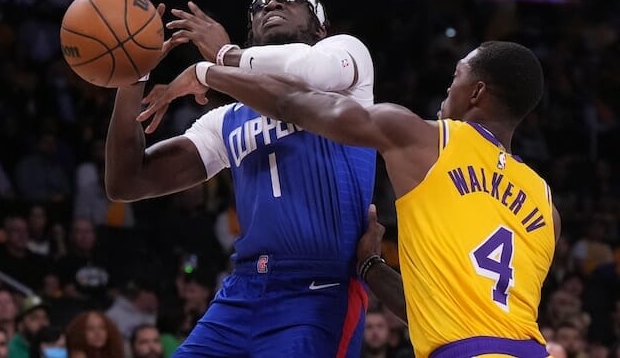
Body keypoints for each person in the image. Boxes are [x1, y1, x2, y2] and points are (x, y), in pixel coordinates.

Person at [140, 41, 560, 357]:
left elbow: (292, 104)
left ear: (477, 92)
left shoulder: (425, 140)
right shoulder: (546, 206)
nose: (447, 90)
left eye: (456, 78)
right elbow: (435, 309)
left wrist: (208, 71)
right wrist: (371, 266)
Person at [106, 0, 376, 356]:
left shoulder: (348, 62)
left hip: (319, 288)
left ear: (320, 29)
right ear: (252, 35)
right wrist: (133, 76)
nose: (272, 4)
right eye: (260, 5)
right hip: (243, 290)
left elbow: (310, 73)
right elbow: (127, 181)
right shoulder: (224, 120)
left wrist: (219, 60)